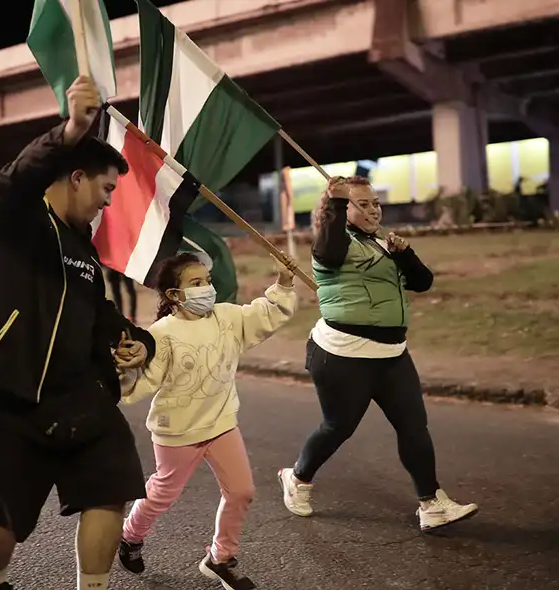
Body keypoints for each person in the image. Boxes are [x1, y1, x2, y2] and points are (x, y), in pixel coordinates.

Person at [0, 75, 156, 590]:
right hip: (6, 400)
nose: (109, 202)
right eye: (106, 188)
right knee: (5, 517)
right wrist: (71, 129)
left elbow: (101, 314)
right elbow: (19, 176)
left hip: (78, 400)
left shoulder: (84, 250)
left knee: (111, 486)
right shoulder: (14, 220)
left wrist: (136, 341)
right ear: (75, 176)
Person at [277, 176, 479, 532]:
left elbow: (423, 282)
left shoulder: (381, 244)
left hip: (391, 354)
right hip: (343, 355)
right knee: (338, 428)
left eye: (375, 203)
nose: (373, 210)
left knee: (414, 426)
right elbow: (329, 250)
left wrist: (405, 254)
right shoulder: (331, 244)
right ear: (342, 209)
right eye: (362, 204)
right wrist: (336, 203)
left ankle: (431, 503)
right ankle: (297, 478)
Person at [116, 252, 297, 590]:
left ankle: (220, 558)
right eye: (195, 283)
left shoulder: (227, 318)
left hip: (222, 424)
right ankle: (130, 536)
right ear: (174, 295)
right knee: (161, 494)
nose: (206, 289)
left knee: (241, 491)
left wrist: (284, 283)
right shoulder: (162, 333)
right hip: (177, 432)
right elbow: (143, 380)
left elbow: (265, 314)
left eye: (208, 282)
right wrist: (118, 373)